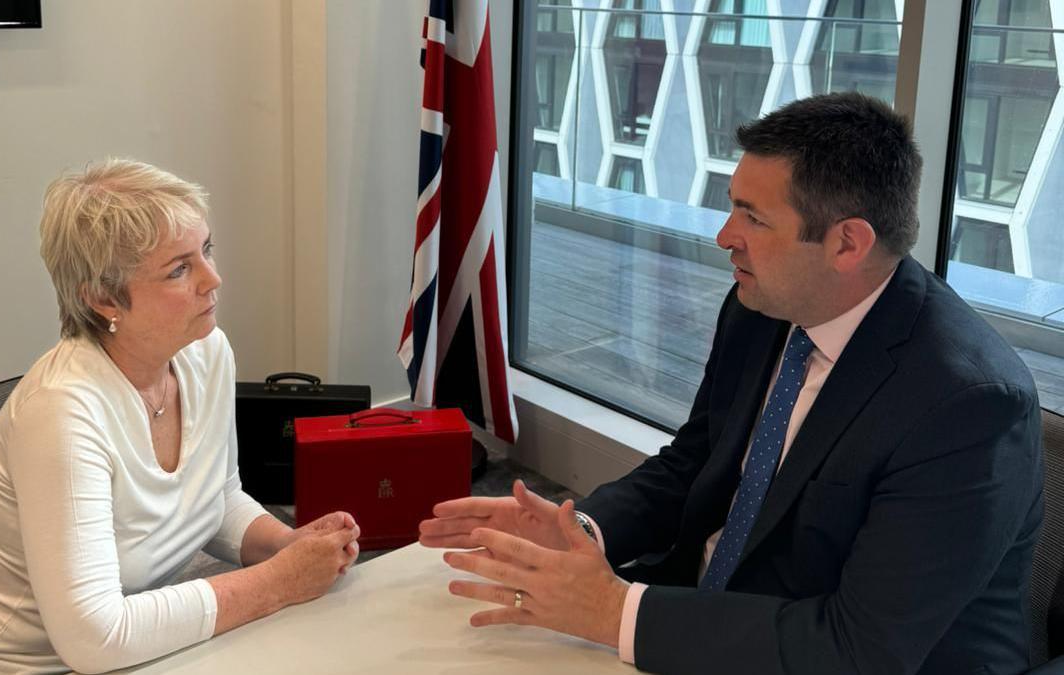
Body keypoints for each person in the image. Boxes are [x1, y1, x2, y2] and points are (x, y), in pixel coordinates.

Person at [420, 92, 1044, 675]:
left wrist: (616, 612)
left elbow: (861, 649)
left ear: (847, 244)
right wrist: (580, 530)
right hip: (713, 618)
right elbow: (697, 462)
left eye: (752, 217)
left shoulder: (969, 406)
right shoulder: (762, 306)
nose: (724, 237)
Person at [0, 159, 361, 674]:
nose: (213, 279)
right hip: (1, 666)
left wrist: (285, 545)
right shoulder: (61, 414)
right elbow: (95, 639)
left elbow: (215, 496)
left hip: (129, 650)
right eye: (179, 269)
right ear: (105, 299)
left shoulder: (205, 351)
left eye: (207, 250)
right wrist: (278, 581)